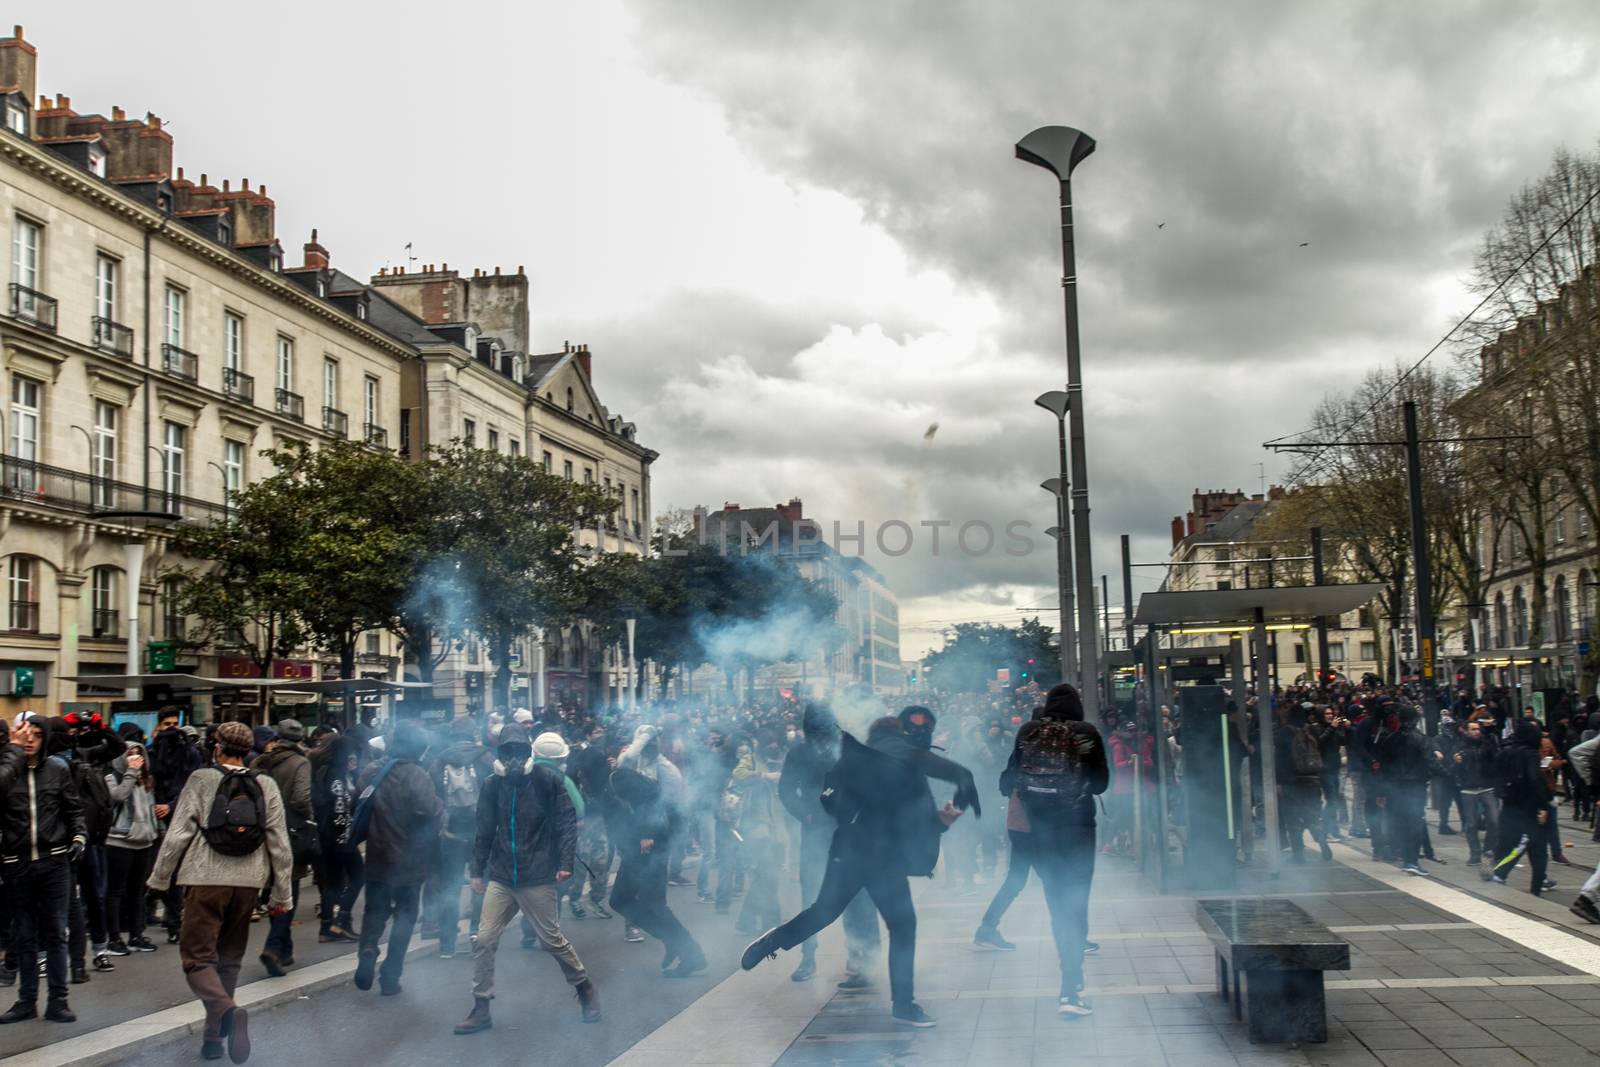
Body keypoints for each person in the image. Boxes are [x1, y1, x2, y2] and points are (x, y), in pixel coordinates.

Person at [741, 715, 970, 1029]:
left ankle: (771, 944)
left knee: (823, 912)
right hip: (883, 859)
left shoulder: (851, 761)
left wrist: (846, 815)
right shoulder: (906, 764)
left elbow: (827, 801)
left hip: (847, 852)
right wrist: (940, 824)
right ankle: (904, 1006)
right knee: (903, 927)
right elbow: (917, 818)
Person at [146, 720, 293, 1063]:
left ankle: (225, 1010)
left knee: (197, 958)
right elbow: (279, 843)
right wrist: (281, 894)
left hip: (205, 879)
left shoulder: (201, 779)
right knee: (229, 959)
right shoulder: (266, 784)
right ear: (250, 751)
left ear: (216, 746)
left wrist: (158, 879)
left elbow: (178, 834)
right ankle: (213, 1040)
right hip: (249, 884)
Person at [453, 725, 599, 1034]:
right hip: (503, 875)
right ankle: (481, 1007)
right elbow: (483, 830)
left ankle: (585, 989)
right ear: (500, 755)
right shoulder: (492, 785)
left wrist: (564, 863)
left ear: (529, 753)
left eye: (520, 752)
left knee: (552, 941)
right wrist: (477, 871)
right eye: (508, 752)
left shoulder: (548, 781)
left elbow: (566, 823)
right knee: (484, 938)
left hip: (537, 875)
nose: (514, 759)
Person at [1001, 683, 1107, 1019]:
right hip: (1078, 829)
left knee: (1057, 905)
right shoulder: (1086, 733)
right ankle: (1071, 988)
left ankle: (1069, 985)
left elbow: (1007, 782)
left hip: (1040, 832)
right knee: (1076, 903)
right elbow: (1102, 783)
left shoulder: (1029, 731)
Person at [778, 704, 882, 985]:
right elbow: (786, 789)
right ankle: (807, 957)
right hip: (815, 832)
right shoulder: (800, 752)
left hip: (849, 832)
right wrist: (806, 812)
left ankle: (861, 958)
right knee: (811, 896)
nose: (821, 740)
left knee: (857, 896)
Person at [0, 717, 86, 1024]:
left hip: (55, 862)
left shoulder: (58, 769)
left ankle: (58, 1000)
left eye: (37, 734)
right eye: (26, 734)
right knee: (23, 935)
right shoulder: (8, 772)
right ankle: (26, 1001)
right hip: (17, 863)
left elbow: (74, 810)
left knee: (55, 931)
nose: (30, 739)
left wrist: (79, 838)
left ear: (45, 738)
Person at [609, 725, 706, 977]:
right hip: (641, 843)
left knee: (632, 900)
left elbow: (666, 805)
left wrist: (649, 834)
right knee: (641, 902)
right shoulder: (631, 767)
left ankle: (688, 951)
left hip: (651, 844)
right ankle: (678, 945)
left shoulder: (663, 771)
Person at [353, 723, 441, 996]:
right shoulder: (417, 774)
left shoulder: (371, 771)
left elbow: (355, 803)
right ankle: (390, 976)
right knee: (405, 919)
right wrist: (441, 807)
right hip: (410, 860)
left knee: (374, 912)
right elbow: (429, 810)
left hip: (378, 856)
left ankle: (368, 949)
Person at [251, 719, 313, 976]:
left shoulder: (259, 762)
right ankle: (274, 947)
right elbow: (301, 798)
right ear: (300, 740)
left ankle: (285, 950)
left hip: (260, 832)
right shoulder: (300, 762)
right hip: (290, 833)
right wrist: (309, 817)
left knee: (273, 888)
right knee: (289, 891)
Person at [428, 718, 488, 956]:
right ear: (473, 734)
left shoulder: (439, 760)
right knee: (480, 885)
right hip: (480, 834)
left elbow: (430, 793)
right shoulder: (485, 757)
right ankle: (477, 937)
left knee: (450, 888)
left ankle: (447, 944)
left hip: (450, 834)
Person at [148, 708, 201, 945]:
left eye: (174, 723)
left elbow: (190, 784)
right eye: (166, 723)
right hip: (152, 818)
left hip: (177, 815)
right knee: (156, 870)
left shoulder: (186, 750)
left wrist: (169, 806)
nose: (170, 728)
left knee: (175, 871)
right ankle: (159, 911)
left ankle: (174, 921)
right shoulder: (151, 751)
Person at [104, 741, 161, 958]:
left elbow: (150, 807)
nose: (136, 758)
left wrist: (157, 829)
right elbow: (118, 796)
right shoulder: (112, 777)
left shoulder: (147, 780)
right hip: (120, 841)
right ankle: (114, 938)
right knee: (115, 890)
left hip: (144, 840)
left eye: (139, 754)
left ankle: (137, 935)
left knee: (138, 891)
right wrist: (130, 773)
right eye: (130, 754)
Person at [1492, 717, 1555, 896]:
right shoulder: (1530, 754)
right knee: (1536, 849)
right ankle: (1531, 885)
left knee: (1507, 843)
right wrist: (1543, 805)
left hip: (1509, 804)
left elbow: (1495, 773)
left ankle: (1497, 872)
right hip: (1529, 807)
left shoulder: (1506, 751)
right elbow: (1534, 779)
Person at [312, 735, 364, 942]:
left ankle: (326, 927)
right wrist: (347, 839)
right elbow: (339, 808)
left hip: (326, 837)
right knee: (359, 875)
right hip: (341, 838)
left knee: (331, 883)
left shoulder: (322, 770)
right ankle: (342, 919)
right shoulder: (337, 776)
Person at [562, 720, 615, 920]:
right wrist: (575, 815)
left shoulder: (603, 753)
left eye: (602, 731)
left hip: (600, 816)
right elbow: (570, 785)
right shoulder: (577, 756)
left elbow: (607, 784)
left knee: (601, 858)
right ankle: (575, 898)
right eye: (596, 732)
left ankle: (596, 899)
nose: (600, 734)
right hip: (583, 817)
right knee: (582, 861)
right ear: (588, 735)